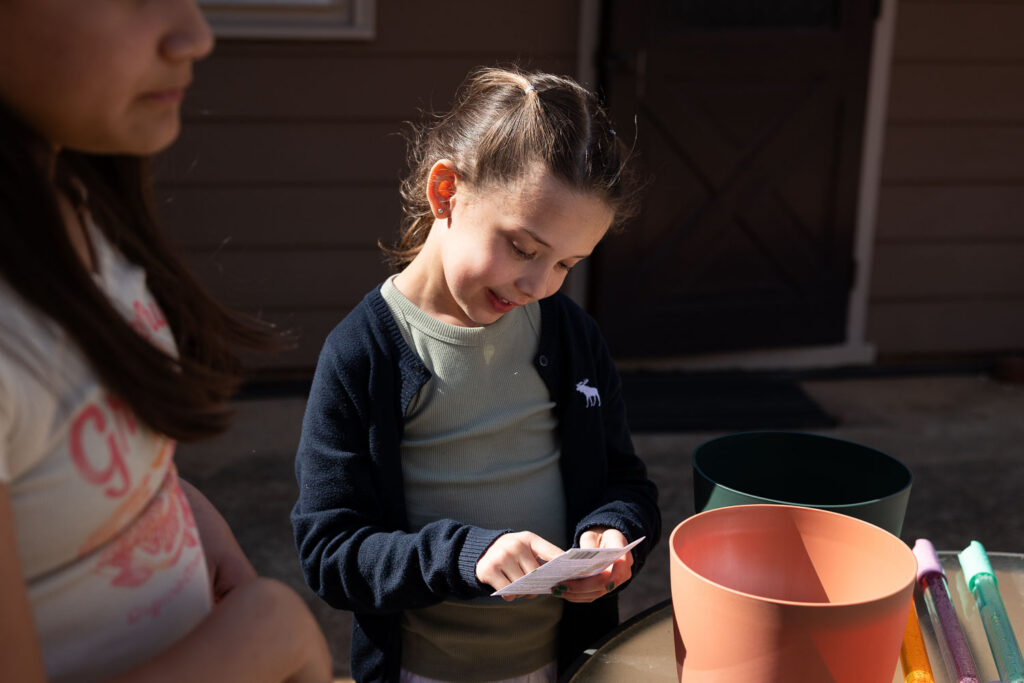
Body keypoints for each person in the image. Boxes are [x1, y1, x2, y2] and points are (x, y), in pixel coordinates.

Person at [291, 66, 661, 683]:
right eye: (523, 248)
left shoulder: (572, 337)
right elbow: (331, 553)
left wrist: (614, 533)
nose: (538, 284)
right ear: (446, 193)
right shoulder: (364, 354)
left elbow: (626, 483)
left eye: (567, 263)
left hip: (563, 664)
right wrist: (465, 554)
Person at [0, 1, 331, 681]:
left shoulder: (70, 201)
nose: (196, 35)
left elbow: (94, 485)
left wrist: (188, 520)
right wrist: (272, 630)